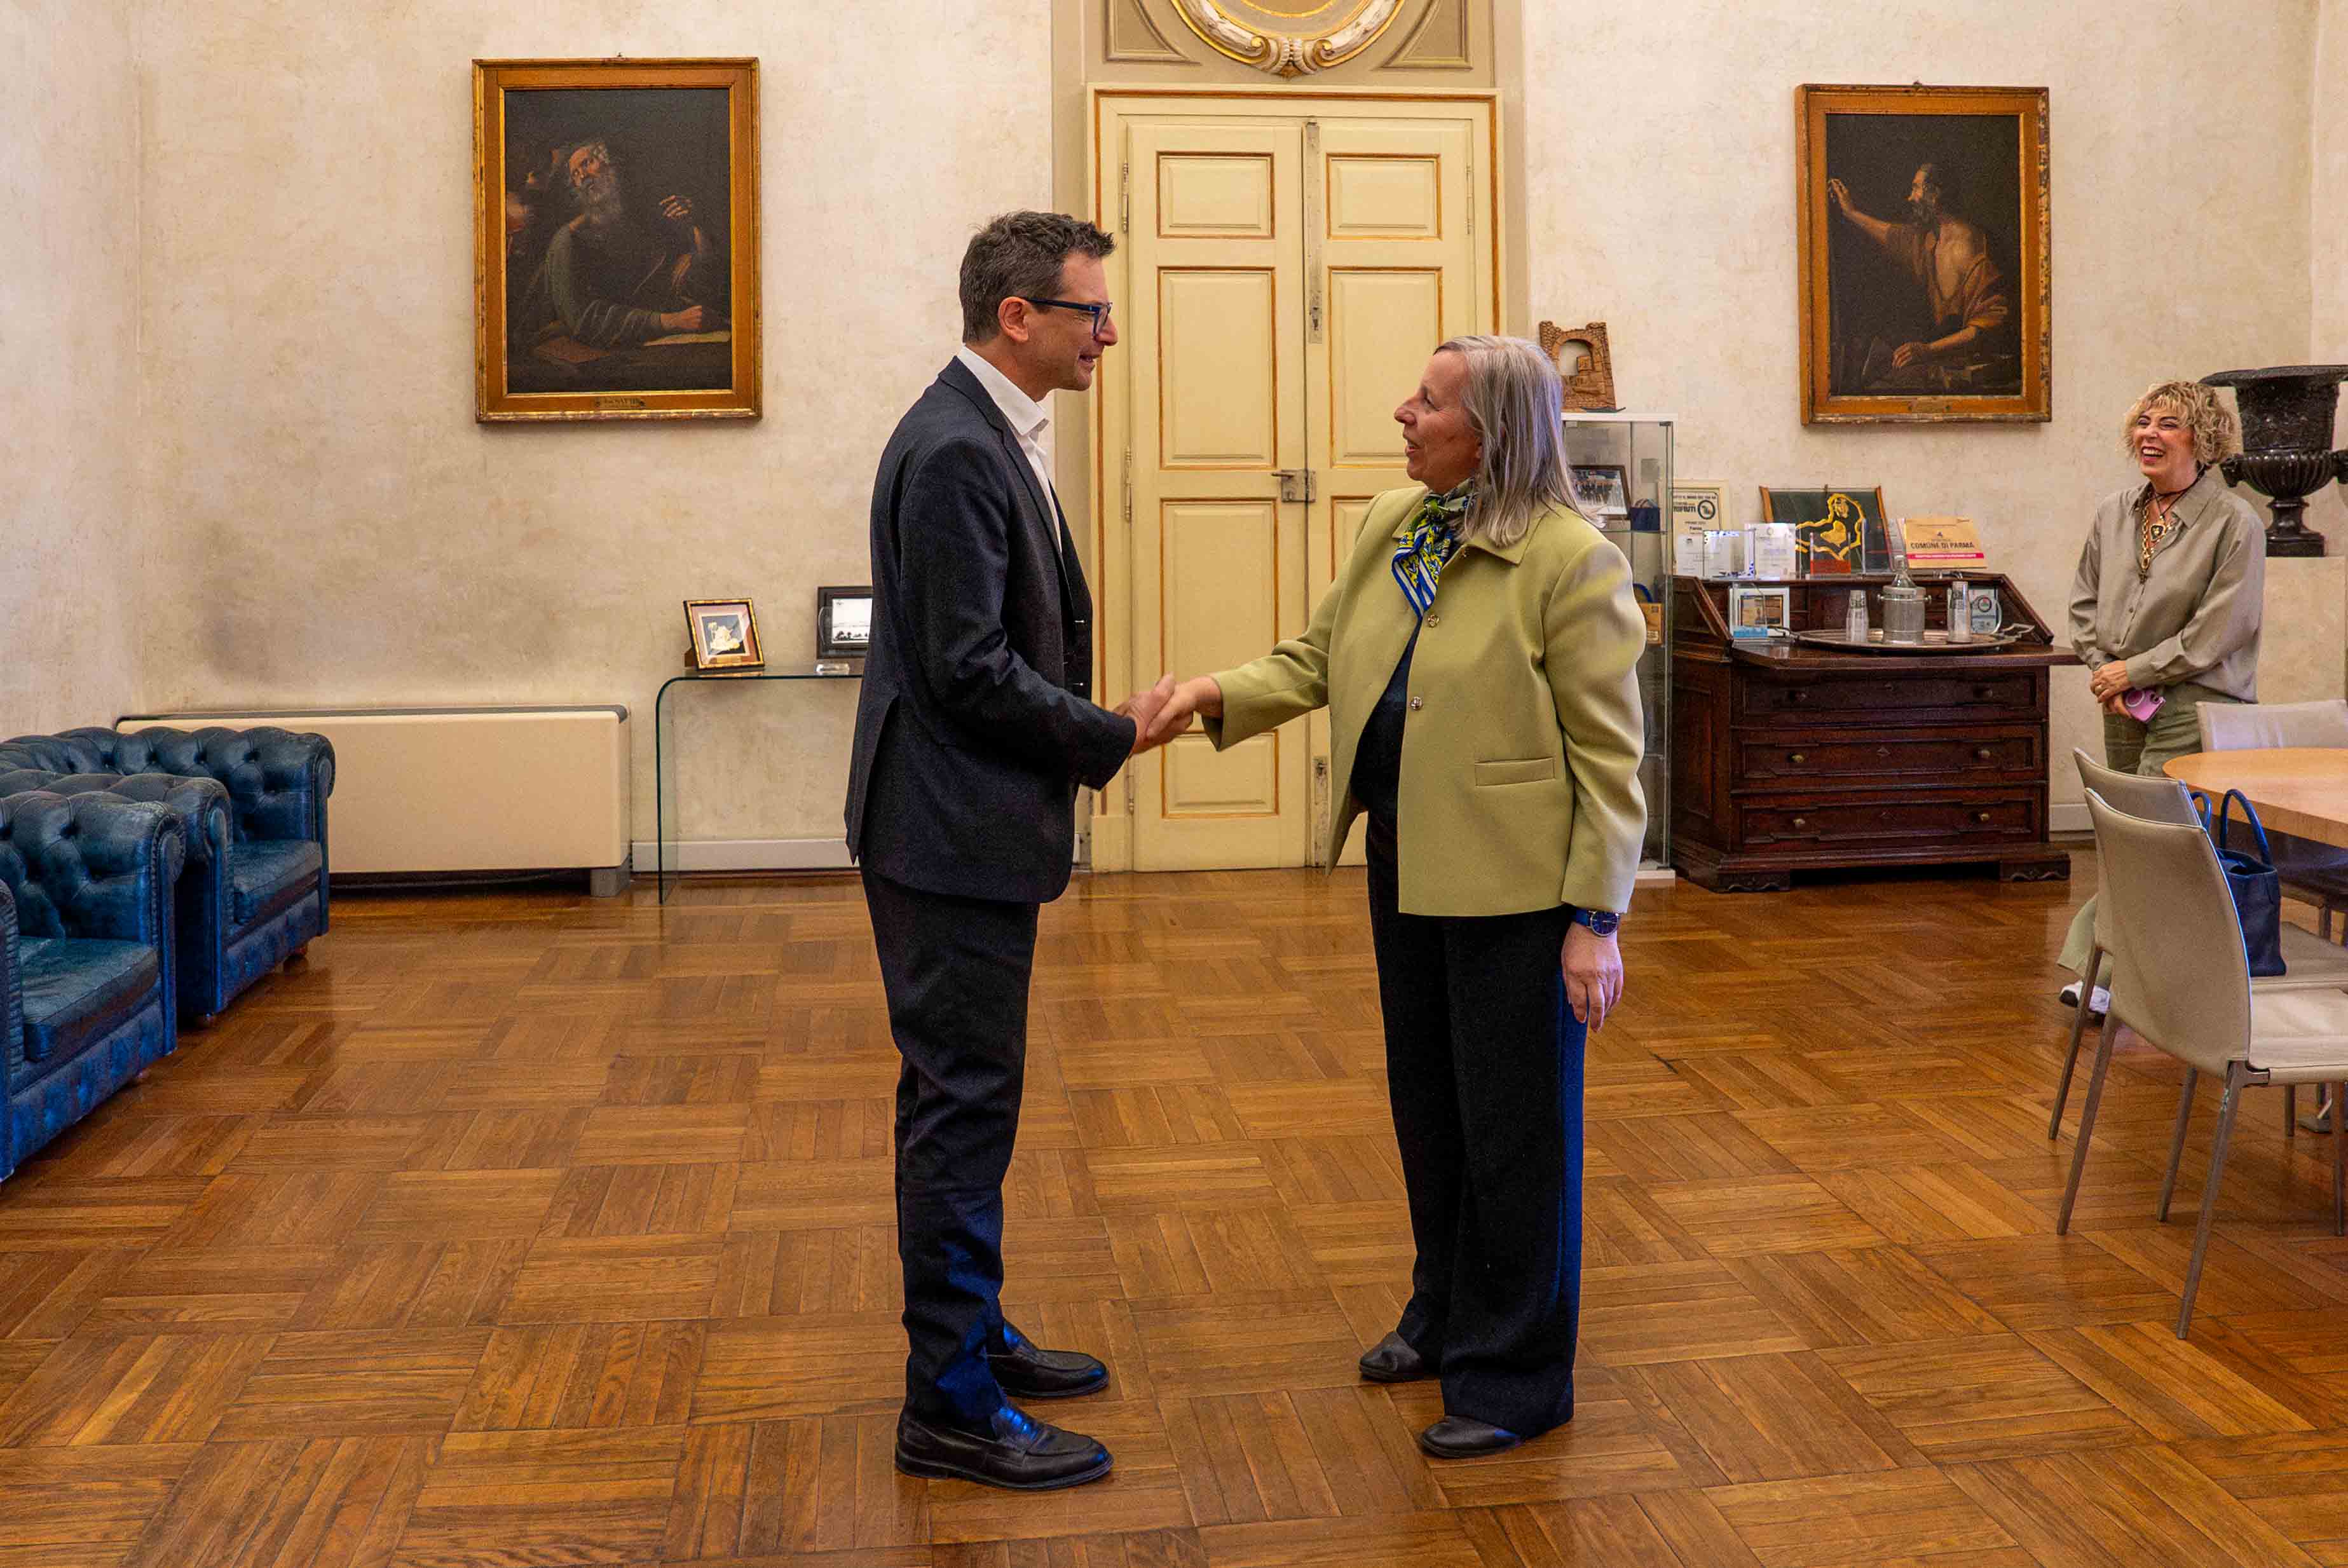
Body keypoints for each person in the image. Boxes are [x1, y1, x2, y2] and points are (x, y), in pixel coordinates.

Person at [1142, 335, 1647, 1458]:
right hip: (1406, 864)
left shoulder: (1571, 561)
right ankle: (1444, 1309)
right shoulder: (1395, 523)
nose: (1402, 412)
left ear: (1493, 434)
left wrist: (1593, 920)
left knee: (1516, 1133)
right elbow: (1318, 658)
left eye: (1428, 401)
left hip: (1520, 893)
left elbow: (1612, 761)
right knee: (1430, 1108)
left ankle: (1516, 1376)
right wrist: (1208, 694)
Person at [844, 211, 1173, 1492]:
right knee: (959, 1108)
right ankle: (948, 1404)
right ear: (1018, 316)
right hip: (947, 831)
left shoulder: (980, 431)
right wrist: (1106, 733)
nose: (1109, 333)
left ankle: (972, 1336)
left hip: (959, 823)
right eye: (1092, 310)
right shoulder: (952, 450)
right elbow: (966, 669)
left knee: (966, 1100)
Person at [2058, 378, 2262, 1008]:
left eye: (2168, 424)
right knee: (2128, 839)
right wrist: (2106, 671)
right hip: (2122, 700)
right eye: (2144, 421)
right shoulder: (2114, 511)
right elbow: (2084, 603)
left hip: (2194, 703)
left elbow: (2219, 631)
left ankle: (2107, 977)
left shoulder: (2235, 522)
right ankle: (2140, 981)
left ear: (2203, 439)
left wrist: (2135, 672)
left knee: (2151, 839)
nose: (2149, 433)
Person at [515, 139, 723, 350]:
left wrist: (698, 226)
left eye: (587, 163)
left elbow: (693, 286)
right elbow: (582, 320)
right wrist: (670, 321)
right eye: (575, 174)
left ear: (614, 165)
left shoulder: (641, 226)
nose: (583, 177)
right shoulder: (569, 240)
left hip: (640, 346)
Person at [1826, 162, 2015, 392]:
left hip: (1983, 375)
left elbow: (1987, 327)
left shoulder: (1969, 247)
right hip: (1944, 366)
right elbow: (1894, 237)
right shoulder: (1931, 240)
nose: (1910, 197)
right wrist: (1851, 213)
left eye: (1915, 188)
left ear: (1934, 194)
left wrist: (1927, 350)